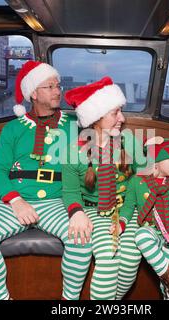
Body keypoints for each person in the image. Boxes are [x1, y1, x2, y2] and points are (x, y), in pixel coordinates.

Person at [0, 60, 92, 300]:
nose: (58, 91)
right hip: (15, 201)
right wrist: (16, 201)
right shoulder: (13, 129)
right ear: (33, 93)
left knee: (82, 239)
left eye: (58, 86)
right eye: (50, 86)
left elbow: (101, 139)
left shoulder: (75, 125)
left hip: (58, 201)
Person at [62, 76, 144, 300]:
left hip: (127, 210)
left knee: (130, 260)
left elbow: (145, 180)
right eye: (115, 113)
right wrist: (76, 212)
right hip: (93, 211)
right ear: (96, 118)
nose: (122, 118)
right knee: (108, 259)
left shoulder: (130, 141)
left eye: (121, 111)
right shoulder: (72, 150)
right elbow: (70, 192)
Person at [111, 137, 169, 300]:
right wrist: (121, 223)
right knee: (141, 235)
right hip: (152, 230)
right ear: (156, 162)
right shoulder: (136, 182)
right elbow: (129, 206)